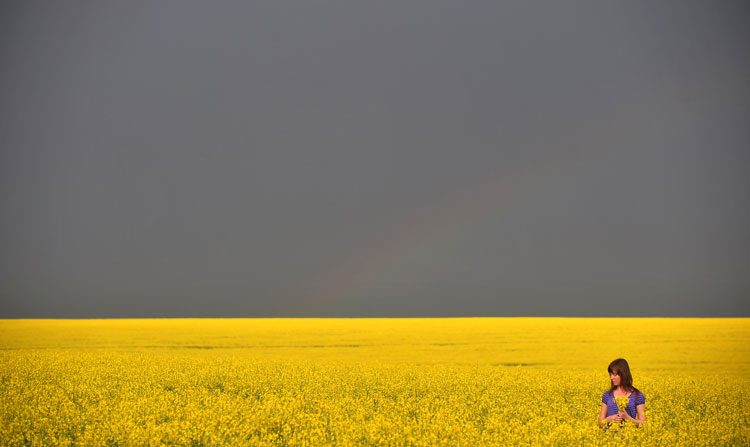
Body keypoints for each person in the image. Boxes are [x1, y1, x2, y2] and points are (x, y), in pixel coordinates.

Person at [598, 358, 646, 429]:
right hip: (608, 438)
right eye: (610, 374)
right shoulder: (607, 395)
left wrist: (627, 418)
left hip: (628, 438)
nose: (611, 377)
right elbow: (600, 423)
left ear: (623, 374)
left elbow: (643, 423)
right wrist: (609, 419)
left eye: (614, 375)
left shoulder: (637, 395)